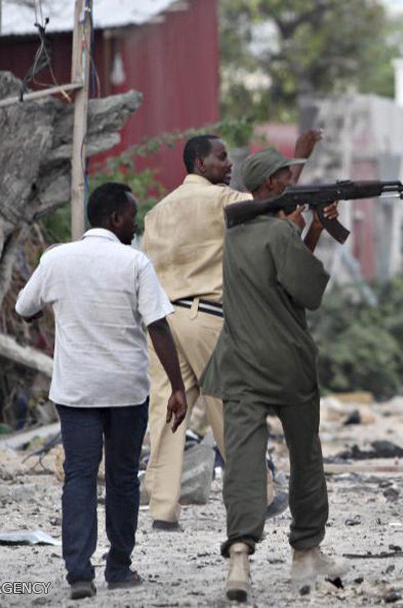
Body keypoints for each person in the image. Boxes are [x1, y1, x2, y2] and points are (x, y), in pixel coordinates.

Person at [141, 130, 322, 530]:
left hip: (162, 323)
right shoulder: (224, 201)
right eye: (221, 158)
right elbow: (275, 199)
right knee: (233, 408)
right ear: (200, 164)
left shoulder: (156, 212)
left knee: (167, 413)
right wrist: (301, 157)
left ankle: (162, 509)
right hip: (208, 316)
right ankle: (261, 494)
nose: (229, 165)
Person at [15, 183, 188, 599]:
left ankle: (79, 574)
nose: (134, 226)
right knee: (123, 477)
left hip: (76, 391)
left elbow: (24, 308)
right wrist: (178, 386)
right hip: (126, 389)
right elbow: (158, 325)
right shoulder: (135, 262)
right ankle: (119, 568)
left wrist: (45, 309)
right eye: (131, 218)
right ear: (115, 219)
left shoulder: (56, 258)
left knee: (79, 475)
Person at [201, 148, 345, 602]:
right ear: (267, 185)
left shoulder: (236, 234)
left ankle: (239, 558)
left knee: (243, 461)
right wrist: (307, 230)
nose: (290, 183)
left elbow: (280, 279)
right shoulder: (280, 233)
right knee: (305, 456)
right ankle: (306, 551)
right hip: (287, 366)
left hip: (239, 365)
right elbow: (308, 291)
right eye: (284, 177)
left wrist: (311, 228)